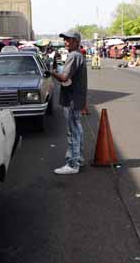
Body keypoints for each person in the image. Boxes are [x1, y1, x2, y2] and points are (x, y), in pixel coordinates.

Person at [51, 31, 88, 175]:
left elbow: (64, 77)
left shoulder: (74, 56)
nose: (65, 42)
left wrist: (51, 72)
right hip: (76, 99)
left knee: (73, 132)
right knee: (77, 130)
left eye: (68, 40)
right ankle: (78, 158)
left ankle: (72, 164)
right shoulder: (78, 55)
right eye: (65, 40)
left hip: (72, 100)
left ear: (76, 41)